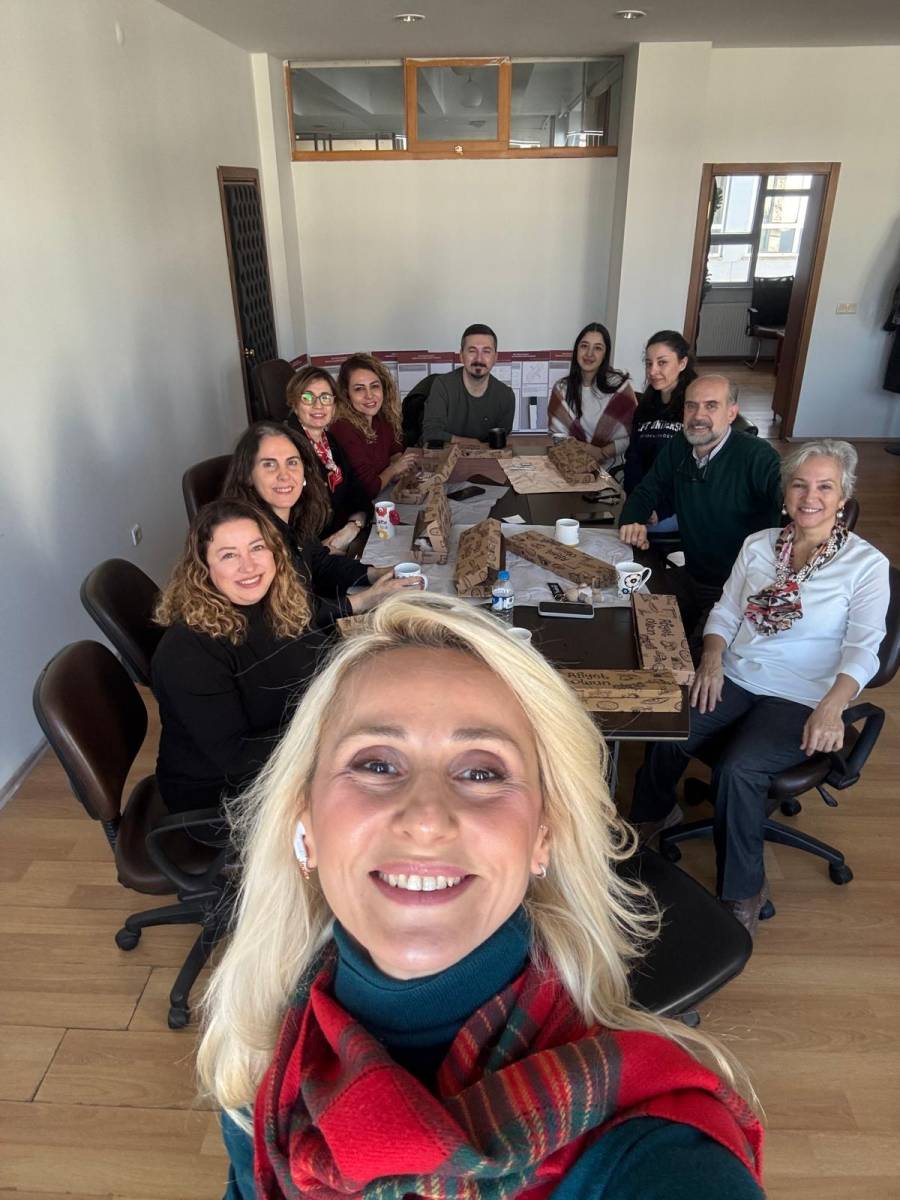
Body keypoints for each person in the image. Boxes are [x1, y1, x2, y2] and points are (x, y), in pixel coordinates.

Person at [197, 593, 765, 1200]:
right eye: (377, 764)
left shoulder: (652, 1147)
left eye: (481, 772)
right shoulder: (262, 1063)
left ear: (542, 837)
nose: (426, 819)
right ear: (305, 824)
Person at [631, 440, 889, 934]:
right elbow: (727, 611)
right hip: (739, 672)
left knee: (740, 768)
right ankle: (654, 813)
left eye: (825, 487)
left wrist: (834, 705)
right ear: (785, 493)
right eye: (799, 485)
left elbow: (864, 648)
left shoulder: (865, 565)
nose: (810, 497)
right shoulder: (759, 545)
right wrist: (711, 659)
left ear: (842, 498)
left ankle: (742, 891)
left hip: (804, 693)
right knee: (670, 721)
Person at [152, 500, 330, 814]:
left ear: (275, 552)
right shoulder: (188, 651)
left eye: (257, 548)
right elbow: (236, 758)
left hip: (287, 752)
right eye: (229, 555)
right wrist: (329, 732)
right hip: (222, 797)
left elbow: (315, 654)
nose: (249, 567)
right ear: (203, 567)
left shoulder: (280, 601)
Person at [619, 374, 783, 640]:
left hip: (735, 590)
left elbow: (791, 506)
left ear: (731, 413)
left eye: (711, 406)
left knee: (695, 654)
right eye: (691, 406)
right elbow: (648, 489)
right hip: (693, 575)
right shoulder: (680, 446)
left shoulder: (758, 456)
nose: (698, 416)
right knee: (628, 614)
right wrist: (632, 520)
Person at [222, 422, 421, 624]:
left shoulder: (294, 515)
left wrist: (376, 573)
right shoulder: (247, 537)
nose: (284, 475)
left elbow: (320, 564)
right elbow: (288, 615)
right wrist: (364, 600)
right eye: (269, 464)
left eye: (292, 462)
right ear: (248, 475)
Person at [284, 366, 372, 551]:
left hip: (342, 539)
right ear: (294, 404)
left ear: (334, 405)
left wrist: (354, 525)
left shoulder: (329, 441)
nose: (318, 405)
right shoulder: (286, 449)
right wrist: (323, 550)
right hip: (311, 555)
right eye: (308, 398)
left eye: (325, 398)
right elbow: (290, 526)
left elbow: (358, 493)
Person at [623, 331, 697, 531]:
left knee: (620, 534)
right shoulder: (645, 407)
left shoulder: (694, 408)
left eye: (662, 362)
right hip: (646, 501)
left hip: (677, 508)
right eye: (649, 363)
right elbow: (633, 458)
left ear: (682, 363)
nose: (653, 371)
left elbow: (694, 472)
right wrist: (636, 502)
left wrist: (660, 510)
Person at [548, 322, 636, 467]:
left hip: (613, 470)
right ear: (576, 350)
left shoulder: (619, 387)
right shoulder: (561, 388)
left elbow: (632, 435)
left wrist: (603, 453)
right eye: (584, 346)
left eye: (598, 348)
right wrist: (587, 450)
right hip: (572, 464)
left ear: (605, 354)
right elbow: (557, 436)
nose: (589, 353)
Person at [330, 353, 418, 498]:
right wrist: (394, 469)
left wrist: (401, 464)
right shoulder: (343, 429)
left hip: (384, 493)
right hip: (361, 504)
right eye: (359, 389)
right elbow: (368, 489)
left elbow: (395, 449)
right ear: (346, 394)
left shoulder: (381, 417)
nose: (369, 395)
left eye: (374, 386)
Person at [421, 323, 516, 446]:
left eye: (486, 352)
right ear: (461, 356)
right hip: (447, 456)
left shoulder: (506, 396)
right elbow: (430, 433)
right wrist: (469, 442)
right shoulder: (442, 386)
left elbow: (499, 443)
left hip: (486, 457)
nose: (479, 359)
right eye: (472, 351)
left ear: (495, 357)